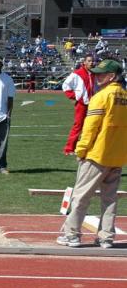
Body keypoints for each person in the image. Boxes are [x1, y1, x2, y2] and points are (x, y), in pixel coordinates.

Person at [57, 59, 127, 249]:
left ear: (111, 76)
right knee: (110, 200)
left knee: (81, 196)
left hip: (97, 155)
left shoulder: (101, 96)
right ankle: (106, 237)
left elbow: (90, 128)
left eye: (101, 74)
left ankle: (72, 235)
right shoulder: (125, 96)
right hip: (117, 156)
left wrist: (81, 150)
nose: (96, 76)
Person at [62, 55, 95, 155]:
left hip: (93, 105)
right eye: (89, 61)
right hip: (82, 104)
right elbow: (65, 86)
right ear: (84, 62)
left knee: (91, 126)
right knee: (78, 126)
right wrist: (74, 97)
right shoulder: (77, 73)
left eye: (93, 61)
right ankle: (69, 149)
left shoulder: (95, 74)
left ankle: (85, 148)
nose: (91, 63)